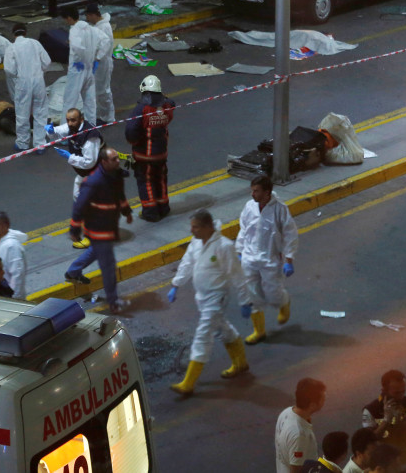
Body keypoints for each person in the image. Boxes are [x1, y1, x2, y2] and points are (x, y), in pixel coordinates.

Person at [167, 209, 251, 395]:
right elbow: (187, 263)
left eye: (195, 227)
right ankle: (241, 363)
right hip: (202, 297)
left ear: (207, 227)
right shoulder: (195, 243)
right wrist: (176, 285)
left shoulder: (224, 246)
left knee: (203, 334)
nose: (192, 231)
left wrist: (245, 300)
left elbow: (238, 276)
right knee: (223, 328)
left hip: (217, 297)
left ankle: (188, 383)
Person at [65, 146, 133, 313]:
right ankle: (113, 302)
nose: (118, 161)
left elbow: (120, 196)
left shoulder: (115, 176)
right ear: (104, 162)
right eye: (114, 159)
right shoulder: (94, 182)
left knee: (96, 251)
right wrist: (74, 230)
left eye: (118, 158)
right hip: (99, 229)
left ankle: (73, 271)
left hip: (108, 226)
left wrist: (126, 211)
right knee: (109, 267)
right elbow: (79, 206)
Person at [236, 174, 299, 345]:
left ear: (267, 192)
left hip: (270, 259)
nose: (252, 194)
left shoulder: (280, 209)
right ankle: (259, 331)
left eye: (256, 191)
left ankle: (283, 302)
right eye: (252, 190)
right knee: (253, 295)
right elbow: (244, 229)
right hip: (249, 258)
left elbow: (290, 235)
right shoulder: (249, 207)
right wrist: (240, 250)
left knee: (273, 294)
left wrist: (289, 259)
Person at [125, 75, 175, 222]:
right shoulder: (167, 107)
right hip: (161, 154)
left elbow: (131, 132)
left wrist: (135, 143)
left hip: (144, 156)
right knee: (160, 180)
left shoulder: (141, 109)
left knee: (146, 182)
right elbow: (172, 102)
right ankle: (163, 208)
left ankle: (150, 212)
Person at [362, 370, 406, 473]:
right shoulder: (370, 410)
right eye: (396, 393)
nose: (401, 396)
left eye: (403, 391)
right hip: (385, 468)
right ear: (384, 390)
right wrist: (386, 421)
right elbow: (367, 443)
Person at [4, 25, 51, 153]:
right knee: (40, 112)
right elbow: (47, 62)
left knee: (22, 113)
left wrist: (18, 74)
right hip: (38, 81)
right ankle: (40, 144)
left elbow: (8, 69)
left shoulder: (12, 48)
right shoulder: (35, 43)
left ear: (14, 34)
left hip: (22, 82)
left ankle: (22, 143)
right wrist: (40, 72)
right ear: (25, 32)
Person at [46, 107, 103, 200]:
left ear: (81, 119)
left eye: (72, 120)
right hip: (84, 173)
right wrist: (52, 131)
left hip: (96, 175)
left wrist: (70, 157)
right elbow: (60, 130)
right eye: (67, 120)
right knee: (78, 197)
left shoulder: (90, 138)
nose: (69, 123)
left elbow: (89, 162)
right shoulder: (73, 126)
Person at [276, 378, 327, 473]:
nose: (325, 400)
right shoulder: (299, 435)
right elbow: (295, 470)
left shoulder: (285, 413)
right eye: (323, 399)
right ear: (312, 405)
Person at [62, 6, 99, 124]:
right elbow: (102, 41)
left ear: (68, 18)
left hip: (77, 69)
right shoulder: (89, 28)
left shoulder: (74, 30)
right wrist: (95, 58)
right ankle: (92, 126)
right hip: (89, 68)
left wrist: (78, 59)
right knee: (89, 101)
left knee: (69, 100)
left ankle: (65, 130)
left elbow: (78, 48)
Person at [0, 211, 27, 299]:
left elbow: (17, 275)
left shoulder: (12, 246)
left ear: (4, 226)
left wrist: (14, 298)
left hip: (9, 297)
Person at [84, 2, 114, 123]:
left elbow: (105, 45)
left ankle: (108, 117)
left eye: (87, 16)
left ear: (93, 15)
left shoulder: (104, 27)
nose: (87, 19)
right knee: (97, 90)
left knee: (103, 91)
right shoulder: (99, 26)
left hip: (103, 63)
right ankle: (101, 114)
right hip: (99, 63)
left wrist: (97, 58)